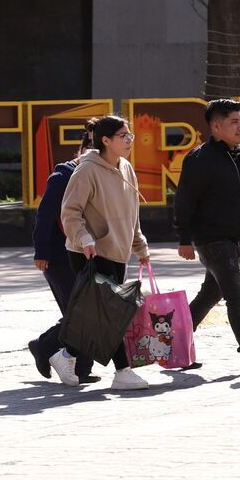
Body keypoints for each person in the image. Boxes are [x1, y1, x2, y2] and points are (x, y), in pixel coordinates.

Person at [175, 99, 240, 376]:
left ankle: (175, 345)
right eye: (234, 122)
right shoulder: (199, 159)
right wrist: (184, 239)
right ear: (216, 127)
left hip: (234, 240)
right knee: (236, 294)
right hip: (212, 240)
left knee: (211, 293)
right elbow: (184, 201)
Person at [50, 115, 152, 391]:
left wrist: (139, 245)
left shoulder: (126, 167)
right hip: (89, 252)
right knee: (111, 313)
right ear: (106, 140)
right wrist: (84, 238)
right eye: (123, 136)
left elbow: (132, 212)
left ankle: (65, 355)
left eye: (130, 135)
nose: (129, 140)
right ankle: (123, 371)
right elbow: (70, 212)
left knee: (101, 314)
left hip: (118, 251)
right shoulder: (86, 170)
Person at [26, 120, 101, 385]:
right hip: (59, 256)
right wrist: (41, 251)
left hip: (91, 253)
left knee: (91, 311)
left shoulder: (108, 174)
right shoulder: (65, 174)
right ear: (85, 148)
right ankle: (45, 346)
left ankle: (81, 369)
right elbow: (45, 214)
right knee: (79, 313)